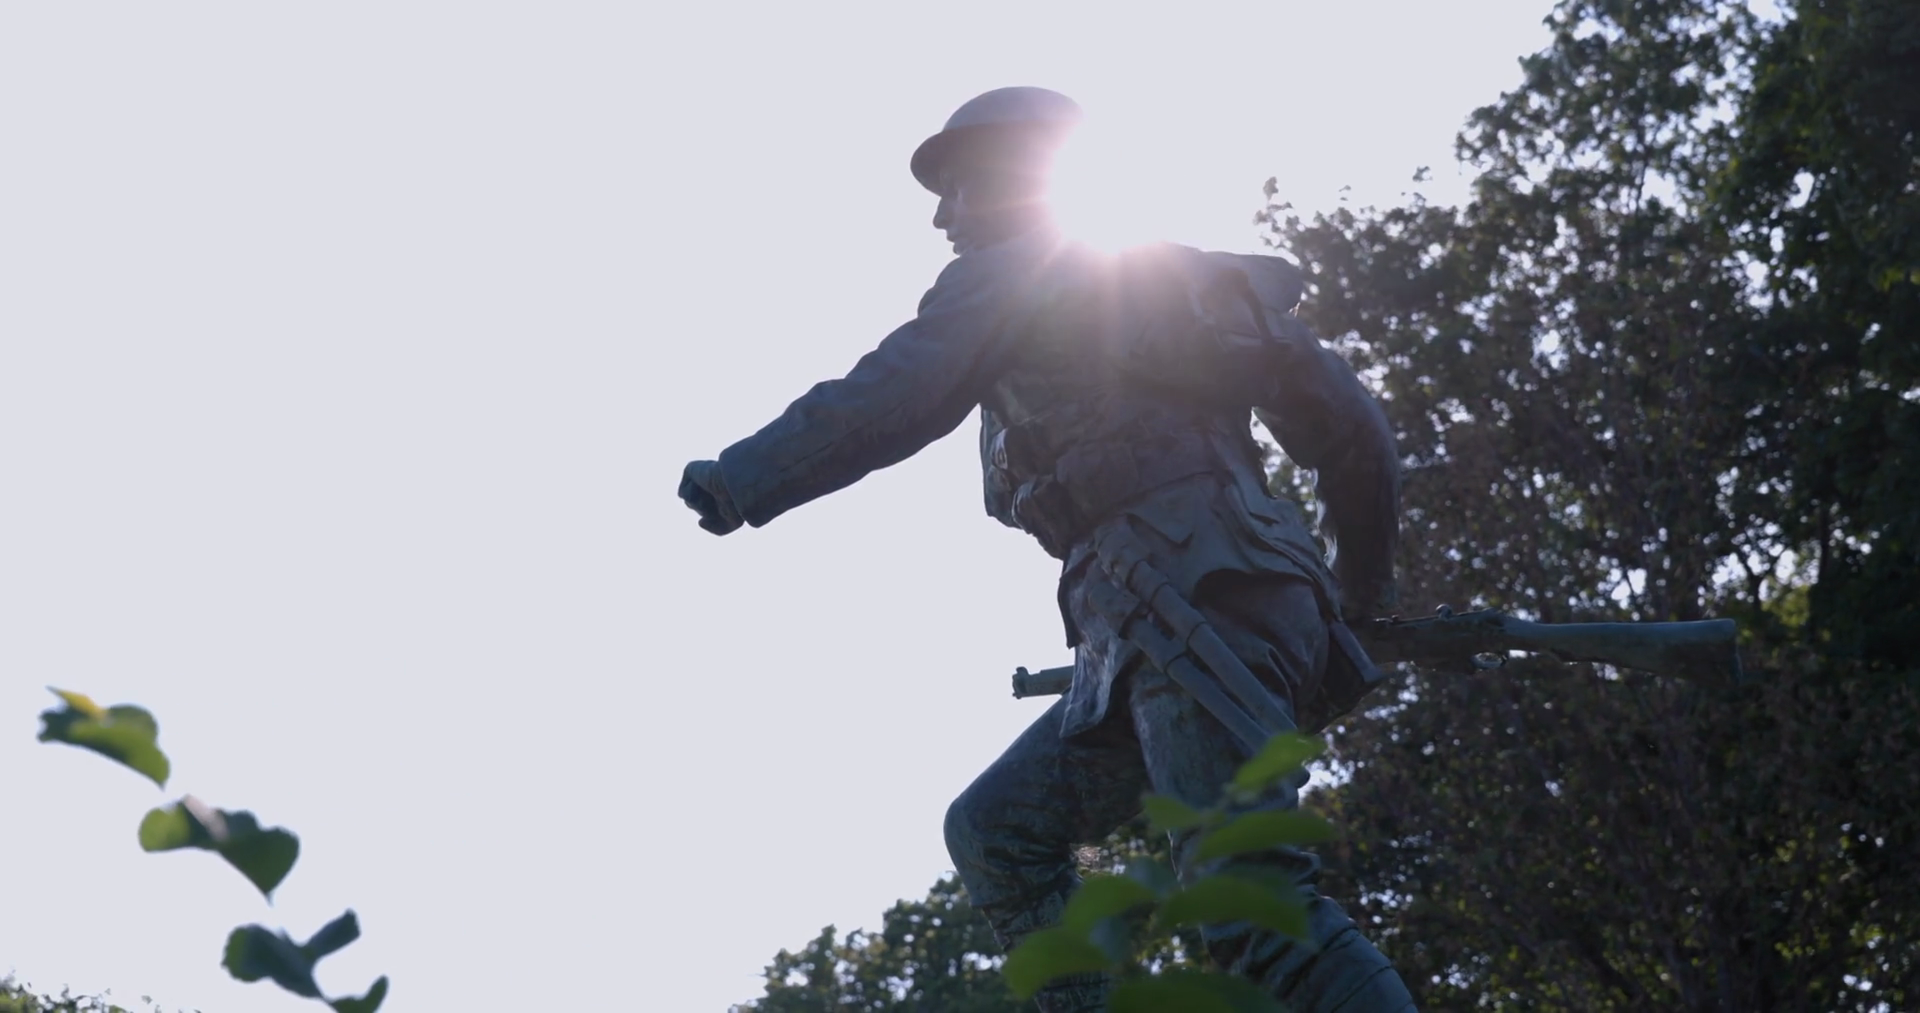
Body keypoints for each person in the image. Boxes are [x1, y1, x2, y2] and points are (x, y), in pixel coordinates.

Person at [679, 87, 1417, 1012]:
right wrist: (1354, 599)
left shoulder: (1017, 272)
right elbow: (1357, 434)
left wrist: (745, 476)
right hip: (1187, 618)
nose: (942, 218)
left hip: (1181, 610)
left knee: (1257, 911)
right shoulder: (1194, 288)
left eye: (957, 188)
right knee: (999, 833)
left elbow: (893, 395)